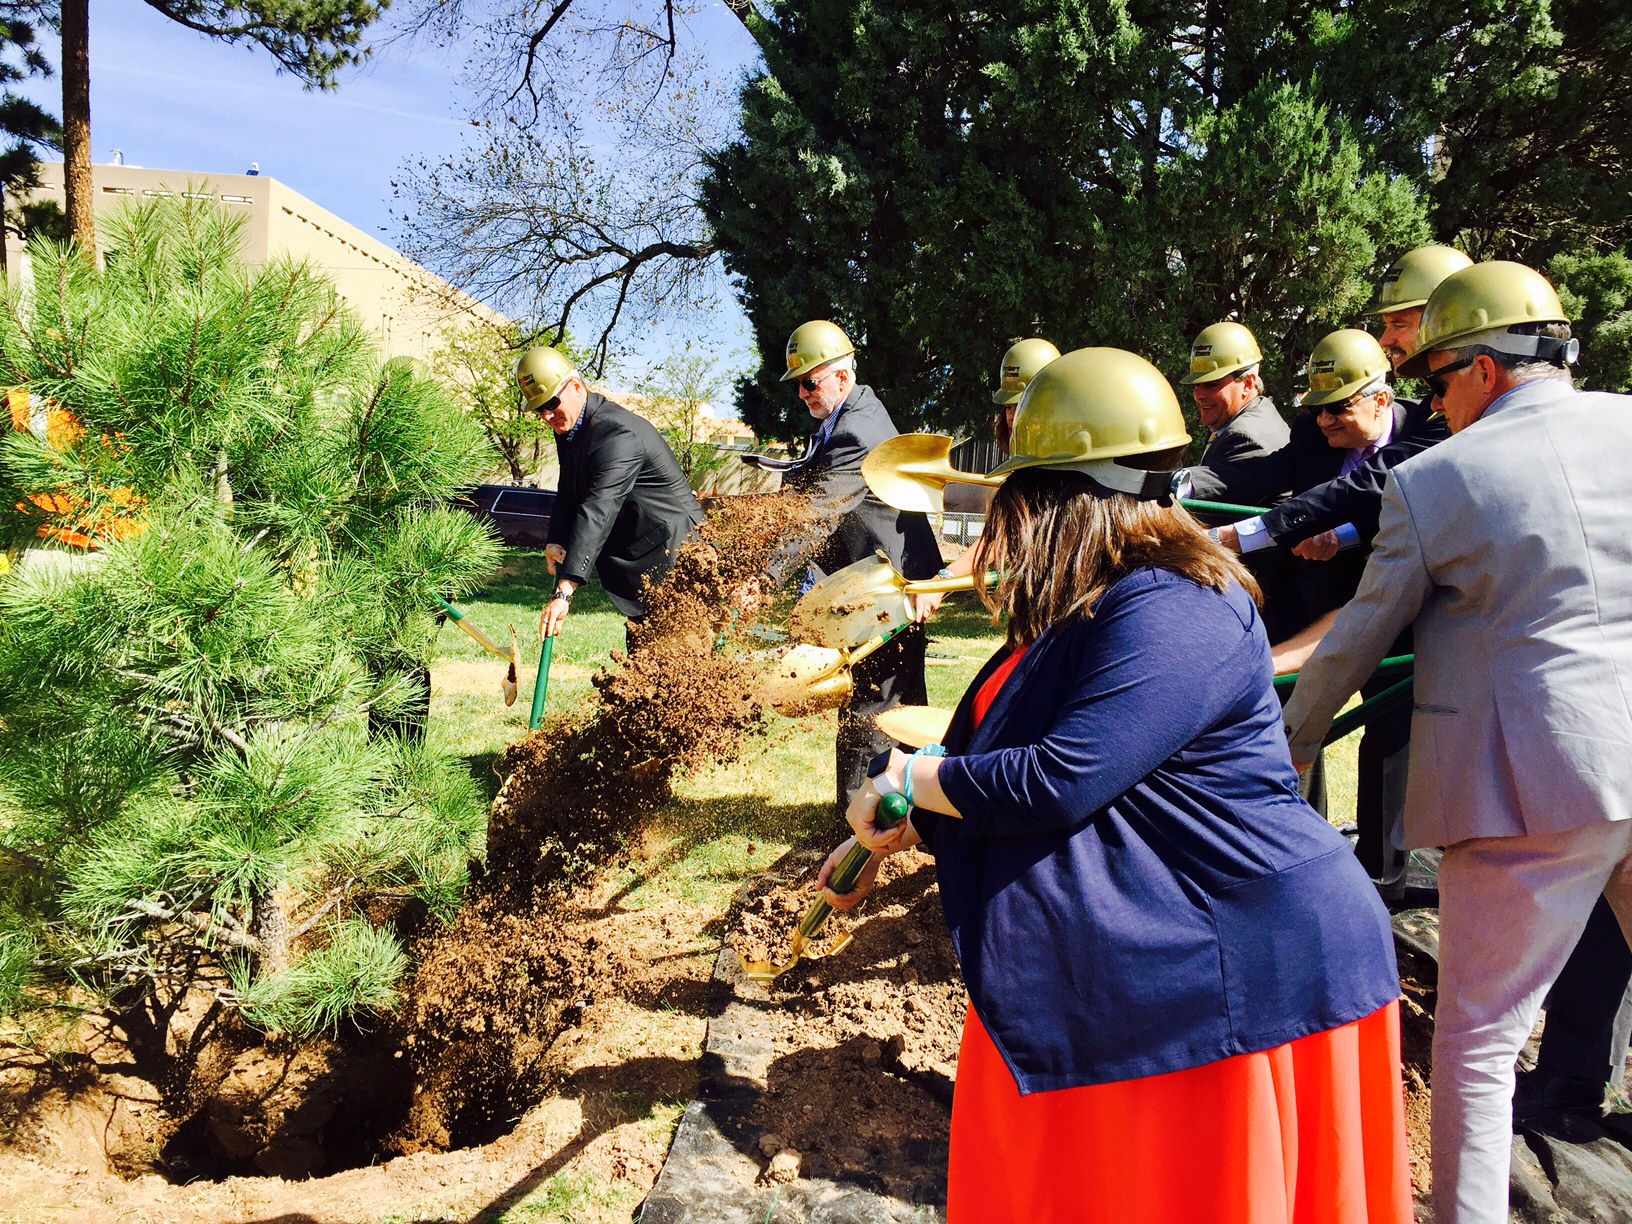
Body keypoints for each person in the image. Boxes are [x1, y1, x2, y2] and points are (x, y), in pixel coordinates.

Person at [821, 347, 1411, 1224]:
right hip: (1152, 946)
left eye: (1011, 502)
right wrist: (912, 820)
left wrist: (910, 773)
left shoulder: (1178, 604)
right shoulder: (1096, 601)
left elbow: (1061, 780)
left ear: (1061, 505)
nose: (997, 530)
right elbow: (1019, 757)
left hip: (1240, 965)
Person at [1281, 262, 1632, 1224]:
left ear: (1485, 368)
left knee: (1477, 1043)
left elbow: (1358, 637)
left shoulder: (1437, 480)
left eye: (1435, 380)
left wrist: (1290, 745)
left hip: (1537, 788)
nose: (1432, 399)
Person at [754, 320, 942, 816]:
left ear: (841, 374)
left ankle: (854, 825)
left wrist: (765, 576)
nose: (802, 393)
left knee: (872, 708)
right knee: (903, 706)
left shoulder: (858, 426)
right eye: (798, 384)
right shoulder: (838, 419)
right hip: (876, 580)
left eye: (809, 382)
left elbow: (822, 508)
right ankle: (916, 812)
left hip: (891, 587)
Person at [514, 346, 703, 639]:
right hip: (644, 566)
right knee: (645, 665)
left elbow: (600, 507)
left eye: (551, 402)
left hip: (677, 560)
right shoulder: (572, 427)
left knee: (681, 667)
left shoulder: (618, 433)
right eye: (539, 408)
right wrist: (555, 540)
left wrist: (566, 589)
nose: (546, 415)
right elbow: (569, 489)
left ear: (576, 386)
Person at [1178, 320, 1290, 498]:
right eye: (1197, 385)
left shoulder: (1245, 438)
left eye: (1212, 384)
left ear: (1247, 383)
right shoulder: (1247, 414)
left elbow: (1207, 510)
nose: (1198, 395)